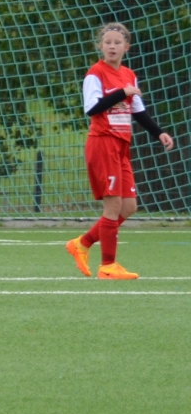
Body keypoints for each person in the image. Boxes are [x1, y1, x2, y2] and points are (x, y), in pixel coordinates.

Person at [66, 23, 175, 280]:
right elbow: (92, 108)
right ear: (100, 46)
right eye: (107, 42)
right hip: (103, 143)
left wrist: (159, 132)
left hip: (121, 146)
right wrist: (121, 93)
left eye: (117, 42)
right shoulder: (95, 74)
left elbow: (138, 110)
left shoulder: (128, 74)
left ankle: (82, 243)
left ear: (126, 47)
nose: (112, 46)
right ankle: (108, 266)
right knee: (113, 205)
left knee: (129, 206)